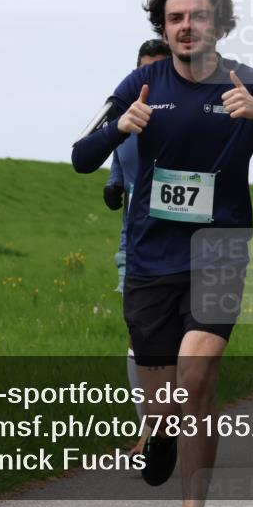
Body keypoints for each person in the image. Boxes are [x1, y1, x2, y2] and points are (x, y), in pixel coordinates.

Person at [72, 0, 253, 507]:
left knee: (197, 380)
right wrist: (119, 128)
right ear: (163, 29)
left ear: (220, 24)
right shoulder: (140, 85)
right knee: (164, 401)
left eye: (197, 16)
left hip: (219, 252)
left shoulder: (249, 83)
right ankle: (160, 431)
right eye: (175, 18)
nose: (186, 26)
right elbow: (80, 156)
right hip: (149, 258)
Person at [103, 39, 172, 457]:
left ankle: (175, 419)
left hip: (182, 249)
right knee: (139, 338)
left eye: (160, 72)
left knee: (181, 345)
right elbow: (118, 160)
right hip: (135, 248)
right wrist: (113, 186)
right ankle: (149, 432)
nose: (152, 81)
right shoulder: (124, 122)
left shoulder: (185, 120)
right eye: (145, 71)